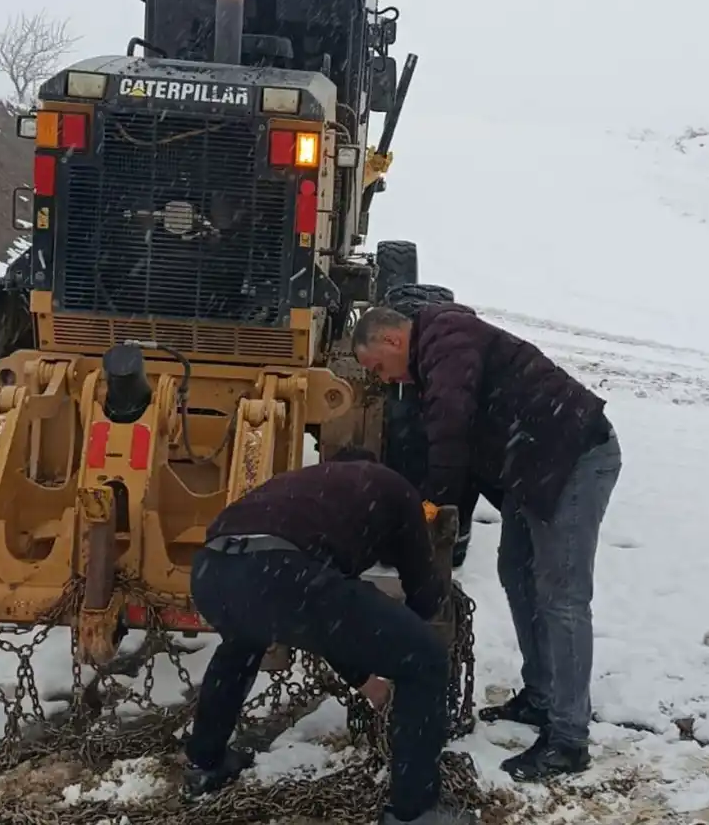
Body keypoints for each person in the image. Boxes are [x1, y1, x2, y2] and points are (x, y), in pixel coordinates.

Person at [351, 302, 622, 781]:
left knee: (562, 596)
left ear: (393, 340)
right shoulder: (433, 355)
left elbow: (450, 431)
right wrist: (438, 514)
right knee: (516, 573)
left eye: (377, 366)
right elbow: (470, 450)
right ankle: (541, 696)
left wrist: (432, 506)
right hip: (532, 467)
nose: (383, 378)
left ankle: (568, 739)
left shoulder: (445, 341)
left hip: (573, 457)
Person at [181, 449, 477, 825]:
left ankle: (205, 763)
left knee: (242, 641)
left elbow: (328, 620)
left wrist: (363, 676)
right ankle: (414, 811)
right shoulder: (395, 489)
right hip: (281, 571)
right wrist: (404, 637)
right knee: (426, 658)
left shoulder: (301, 487)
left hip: (211, 572)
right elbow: (422, 596)